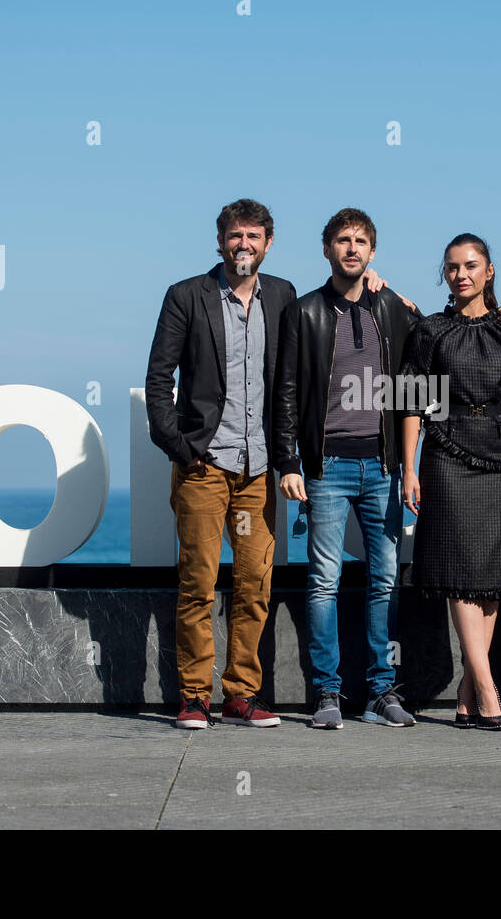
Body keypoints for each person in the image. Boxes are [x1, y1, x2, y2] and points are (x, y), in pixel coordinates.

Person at [144, 198, 294, 730]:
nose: (243, 244)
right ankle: (192, 696)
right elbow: (159, 379)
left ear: (268, 243)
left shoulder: (282, 296)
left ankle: (241, 695)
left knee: (255, 582)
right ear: (220, 240)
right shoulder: (187, 296)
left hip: (257, 472)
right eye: (235, 235)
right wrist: (181, 448)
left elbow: (292, 379)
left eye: (254, 236)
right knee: (198, 583)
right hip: (204, 469)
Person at [274, 207, 422, 729]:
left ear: (372, 252)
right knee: (324, 581)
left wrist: (402, 298)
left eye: (361, 241)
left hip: (382, 467)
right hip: (327, 465)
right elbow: (286, 391)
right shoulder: (305, 311)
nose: (352, 248)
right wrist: (288, 460)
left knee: (384, 580)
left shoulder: (391, 311)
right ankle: (327, 694)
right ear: (327, 249)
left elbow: (427, 355)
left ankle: (381, 692)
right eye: (342, 240)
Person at [401, 233, 501, 731]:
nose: (461, 275)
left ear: (489, 271)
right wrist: (410, 466)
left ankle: (465, 689)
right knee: (461, 570)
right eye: (452, 267)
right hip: (448, 454)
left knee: (491, 579)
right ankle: (486, 687)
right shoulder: (430, 331)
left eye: (470, 266)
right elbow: (413, 404)